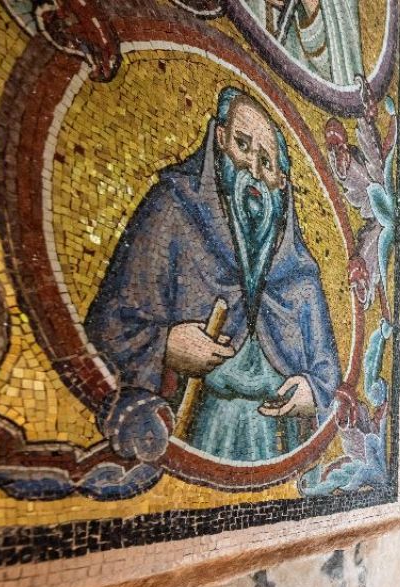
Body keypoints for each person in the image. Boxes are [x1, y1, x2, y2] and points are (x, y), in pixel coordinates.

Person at [85, 86, 341, 461]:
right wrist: (167, 344)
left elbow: (327, 371)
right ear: (219, 139)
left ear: (282, 184)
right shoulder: (173, 211)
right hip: (200, 426)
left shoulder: (299, 274)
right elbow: (108, 325)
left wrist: (314, 392)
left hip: (281, 437)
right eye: (243, 145)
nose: (253, 170)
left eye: (268, 164)